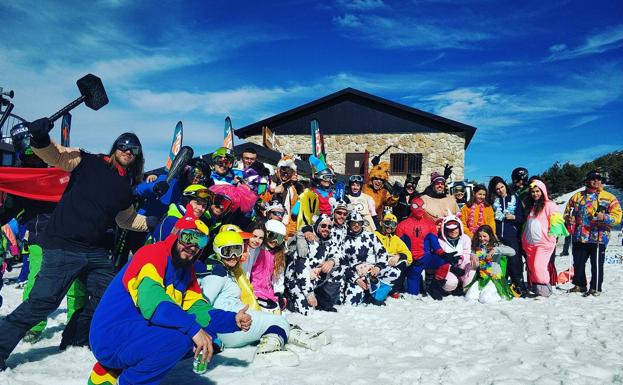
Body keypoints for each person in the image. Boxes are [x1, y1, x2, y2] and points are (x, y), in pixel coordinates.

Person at [0, 119, 152, 370]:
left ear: (138, 157)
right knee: (43, 302)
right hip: (63, 246)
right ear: (115, 148)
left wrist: (152, 222)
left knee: (113, 295)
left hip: (95, 252)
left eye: (133, 149)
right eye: (123, 146)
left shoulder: (125, 187)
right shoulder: (90, 162)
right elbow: (57, 156)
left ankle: (76, 339)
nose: (127, 151)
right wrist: (40, 140)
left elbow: (127, 220)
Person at [87, 216, 252, 384]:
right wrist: (192, 329)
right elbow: (153, 301)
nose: (192, 246)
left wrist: (232, 320)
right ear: (175, 235)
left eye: (200, 241)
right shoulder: (152, 254)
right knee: (181, 338)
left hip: (135, 331)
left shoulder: (186, 270)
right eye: (188, 237)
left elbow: (199, 310)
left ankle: (106, 372)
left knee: (188, 335)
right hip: (110, 334)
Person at [565, 170, 621, 296]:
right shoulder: (577, 196)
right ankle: (580, 285)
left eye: (599, 179)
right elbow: (567, 212)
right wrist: (569, 218)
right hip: (580, 236)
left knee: (596, 264)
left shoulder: (609, 197)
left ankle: (595, 287)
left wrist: (605, 217)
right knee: (578, 262)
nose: (596, 181)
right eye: (593, 178)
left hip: (598, 237)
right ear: (587, 180)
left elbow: (617, 217)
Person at [396, 196, 459, 296]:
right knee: (413, 293)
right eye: (416, 206)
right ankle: (415, 282)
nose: (420, 208)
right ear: (411, 207)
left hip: (426, 257)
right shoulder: (402, 225)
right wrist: (404, 259)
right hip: (412, 261)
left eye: (422, 206)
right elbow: (398, 246)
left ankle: (434, 287)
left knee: (446, 261)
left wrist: (444, 254)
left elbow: (435, 245)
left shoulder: (430, 224)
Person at [286, 214, 342, 314]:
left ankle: (325, 297)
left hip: (315, 277)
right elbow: (301, 269)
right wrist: (309, 294)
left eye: (329, 227)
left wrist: (331, 261)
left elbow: (337, 254)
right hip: (297, 279)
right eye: (323, 226)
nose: (327, 229)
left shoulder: (328, 240)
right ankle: (289, 298)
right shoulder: (305, 240)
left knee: (338, 270)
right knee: (307, 312)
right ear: (317, 226)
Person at [521, 180, 568, 297]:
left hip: (544, 243)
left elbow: (556, 221)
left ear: (543, 191)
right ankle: (537, 289)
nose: (535, 194)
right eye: (533, 192)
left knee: (539, 266)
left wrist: (553, 234)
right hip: (530, 243)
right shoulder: (531, 206)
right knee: (532, 267)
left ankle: (545, 290)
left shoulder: (550, 205)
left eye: (537, 191)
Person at [342, 212, 401, 305]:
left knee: (395, 273)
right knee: (351, 303)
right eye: (353, 222)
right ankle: (364, 292)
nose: (356, 225)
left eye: (359, 223)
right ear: (349, 223)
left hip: (372, 271)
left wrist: (378, 267)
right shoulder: (343, 239)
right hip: (356, 274)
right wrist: (356, 279)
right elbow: (342, 263)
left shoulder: (371, 236)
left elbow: (383, 253)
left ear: (362, 223)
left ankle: (376, 297)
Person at [488, 176, 527, 296]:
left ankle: (520, 287)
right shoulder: (494, 201)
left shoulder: (515, 198)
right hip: (499, 237)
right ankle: (502, 286)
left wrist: (514, 217)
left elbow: (522, 217)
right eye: (497, 189)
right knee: (500, 263)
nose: (500, 190)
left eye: (502, 187)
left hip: (512, 236)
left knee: (514, 261)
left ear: (505, 185)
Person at [464, 225, 515, 303]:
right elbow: (476, 262)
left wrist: (495, 249)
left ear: (490, 236)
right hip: (482, 277)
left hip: (494, 277)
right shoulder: (477, 247)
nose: (482, 239)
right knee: (469, 297)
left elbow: (512, 252)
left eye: (484, 236)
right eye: (480, 236)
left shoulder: (497, 245)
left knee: (486, 299)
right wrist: (473, 257)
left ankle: (498, 293)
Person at [250, 219, 288, 312]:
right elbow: (247, 270)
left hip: (268, 292)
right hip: (253, 289)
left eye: (279, 239)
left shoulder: (278, 254)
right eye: (272, 236)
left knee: (276, 311)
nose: (274, 241)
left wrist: (278, 292)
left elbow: (278, 275)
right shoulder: (257, 250)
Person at [374, 213, 412, 294]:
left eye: (393, 224)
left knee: (403, 263)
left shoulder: (395, 239)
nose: (390, 227)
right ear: (382, 223)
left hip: (391, 264)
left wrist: (398, 256)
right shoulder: (374, 235)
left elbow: (408, 255)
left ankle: (395, 289)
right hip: (376, 263)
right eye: (387, 223)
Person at [438, 214, 474, 292]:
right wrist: (451, 266)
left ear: (459, 227)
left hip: (463, 267)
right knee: (450, 283)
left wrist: (460, 260)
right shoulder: (440, 241)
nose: (453, 231)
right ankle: (449, 289)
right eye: (450, 229)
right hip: (449, 269)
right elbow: (440, 258)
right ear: (445, 230)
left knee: (471, 270)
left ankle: (466, 288)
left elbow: (467, 253)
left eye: (455, 228)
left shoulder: (465, 239)